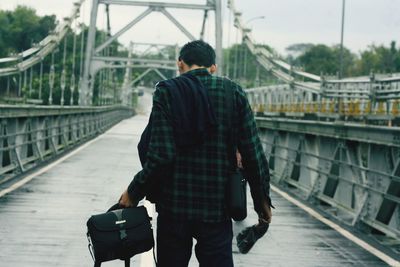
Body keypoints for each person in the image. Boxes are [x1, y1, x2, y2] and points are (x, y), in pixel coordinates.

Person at [119, 40, 272, 267]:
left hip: (173, 208)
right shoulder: (233, 92)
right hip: (217, 209)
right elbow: (253, 155)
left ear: (180, 63)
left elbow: (158, 153)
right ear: (213, 67)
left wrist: (135, 192)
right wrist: (262, 204)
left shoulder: (167, 91)